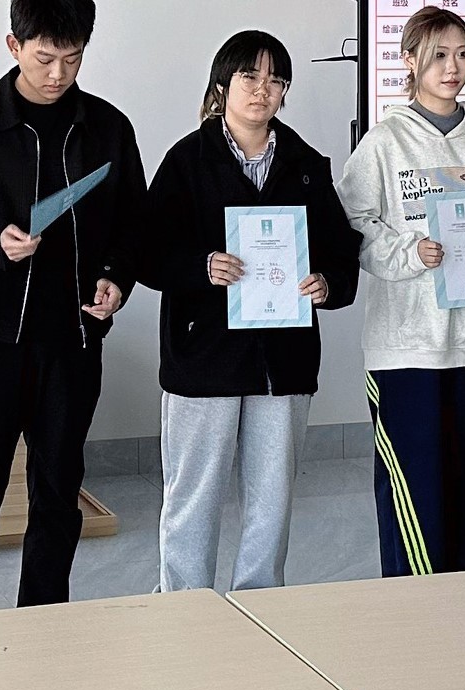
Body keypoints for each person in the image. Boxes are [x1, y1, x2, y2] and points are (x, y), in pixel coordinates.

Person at [0, 0, 146, 613]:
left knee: (58, 491)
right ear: (13, 45)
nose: (58, 74)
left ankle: (44, 622)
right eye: (44, 57)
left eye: (72, 59)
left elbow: (134, 222)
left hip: (73, 338)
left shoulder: (106, 126)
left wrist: (116, 277)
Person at [142, 31, 361, 592]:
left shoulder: (306, 164)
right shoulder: (186, 161)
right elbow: (147, 251)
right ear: (222, 85)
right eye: (250, 77)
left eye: (275, 80)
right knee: (193, 496)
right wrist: (201, 266)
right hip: (204, 358)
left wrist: (328, 283)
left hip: (281, 363)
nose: (263, 90)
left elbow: (341, 251)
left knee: (272, 499)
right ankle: (185, 605)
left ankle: (261, 607)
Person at [338, 4, 465, 577]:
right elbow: (353, 223)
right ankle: (415, 610)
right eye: (439, 55)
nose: (453, 67)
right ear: (409, 59)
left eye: (463, 54)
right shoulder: (385, 141)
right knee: (415, 496)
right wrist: (409, 252)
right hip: (406, 347)